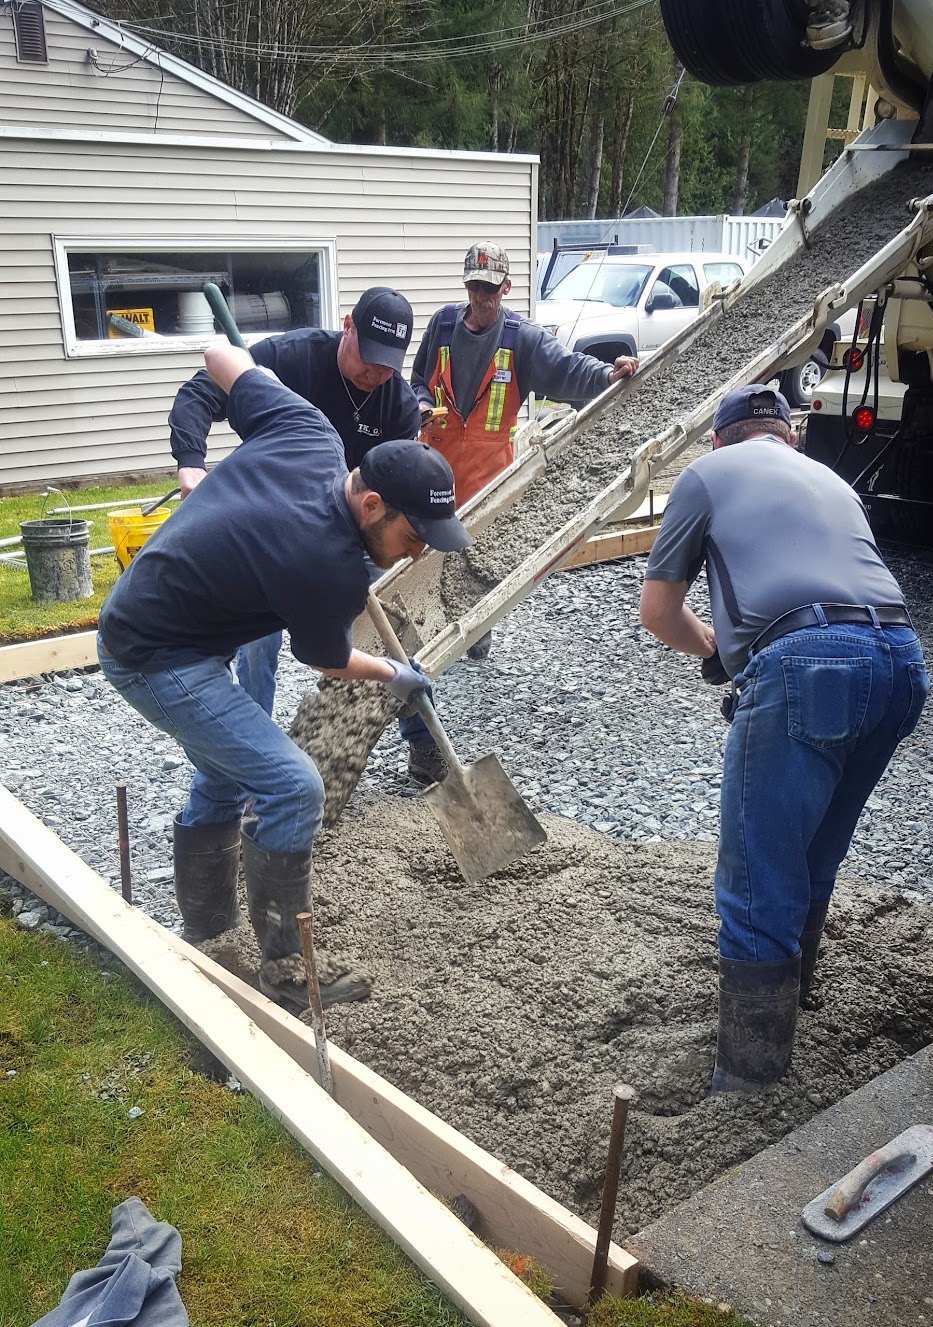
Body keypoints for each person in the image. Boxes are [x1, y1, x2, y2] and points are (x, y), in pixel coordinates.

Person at [99, 343, 471, 1014]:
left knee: (228, 765)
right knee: (293, 785)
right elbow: (328, 661)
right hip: (153, 652)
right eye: (415, 535)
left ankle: (209, 934)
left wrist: (207, 451)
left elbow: (220, 355)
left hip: (165, 613)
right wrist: (394, 672)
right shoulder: (325, 563)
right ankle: (286, 977)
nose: (418, 551)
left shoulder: (310, 433)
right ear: (373, 505)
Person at [639, 384, 929, 1095]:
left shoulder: (706, 475)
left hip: (806, 661)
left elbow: (658, 610)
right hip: (900, 660)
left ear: (719, 442)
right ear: (788, 437)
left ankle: (748, 1078)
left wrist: (711, 643)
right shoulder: (830, 479)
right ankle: (794, 992)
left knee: (757, 876)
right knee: (814, 848)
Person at [406, 241, 639, 781]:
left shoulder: (521, 339)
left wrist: (609, 375)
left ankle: (476, 632)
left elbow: (565, 370)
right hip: (435, 467)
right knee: (424, 558)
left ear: (505, 288)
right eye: (473, 288)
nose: (480, 298)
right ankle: (430, 633)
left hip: (490, 475)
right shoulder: (442, 326)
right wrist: (419, 403)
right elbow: (417, 380)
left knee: (479, 559)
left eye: (489, 289)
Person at [168, 287, 422, 720]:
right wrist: (191, 462)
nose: (376, 373)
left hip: (353, 533)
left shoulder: (398, 406)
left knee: (390, 630)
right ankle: (255, 736)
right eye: (369, 357)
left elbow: (396, 495)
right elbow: (201, 393)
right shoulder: (292, 358)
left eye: (388, 365)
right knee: (258, 636)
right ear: (347, 326)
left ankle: (416, 735)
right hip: (270, 526)